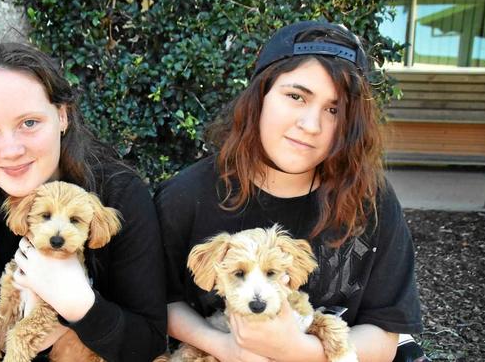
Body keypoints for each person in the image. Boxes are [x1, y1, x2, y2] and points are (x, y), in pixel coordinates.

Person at [155, 21, 423, 362]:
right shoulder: (185, 196)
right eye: (296, 96)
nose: (310, 125)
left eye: (333, 110)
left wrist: (296, 351)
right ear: (260, 95)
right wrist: (224, 346)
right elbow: (160, 301)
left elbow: (384, 334)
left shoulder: (370, 200)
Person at [0, 42, 166, 362]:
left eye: (29, 123)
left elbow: (149, 342)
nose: (11, 150)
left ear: (63, 116)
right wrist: (40, 342)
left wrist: (79, 305)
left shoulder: (119, 195)